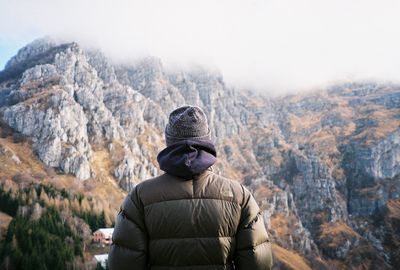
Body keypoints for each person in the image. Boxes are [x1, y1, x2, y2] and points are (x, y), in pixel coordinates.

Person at [108, 105, 273, 270]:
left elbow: (123, 264)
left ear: (169, 142)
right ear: (207, 141)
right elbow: (258, 263)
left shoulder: (140, 196)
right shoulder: (240, 196)